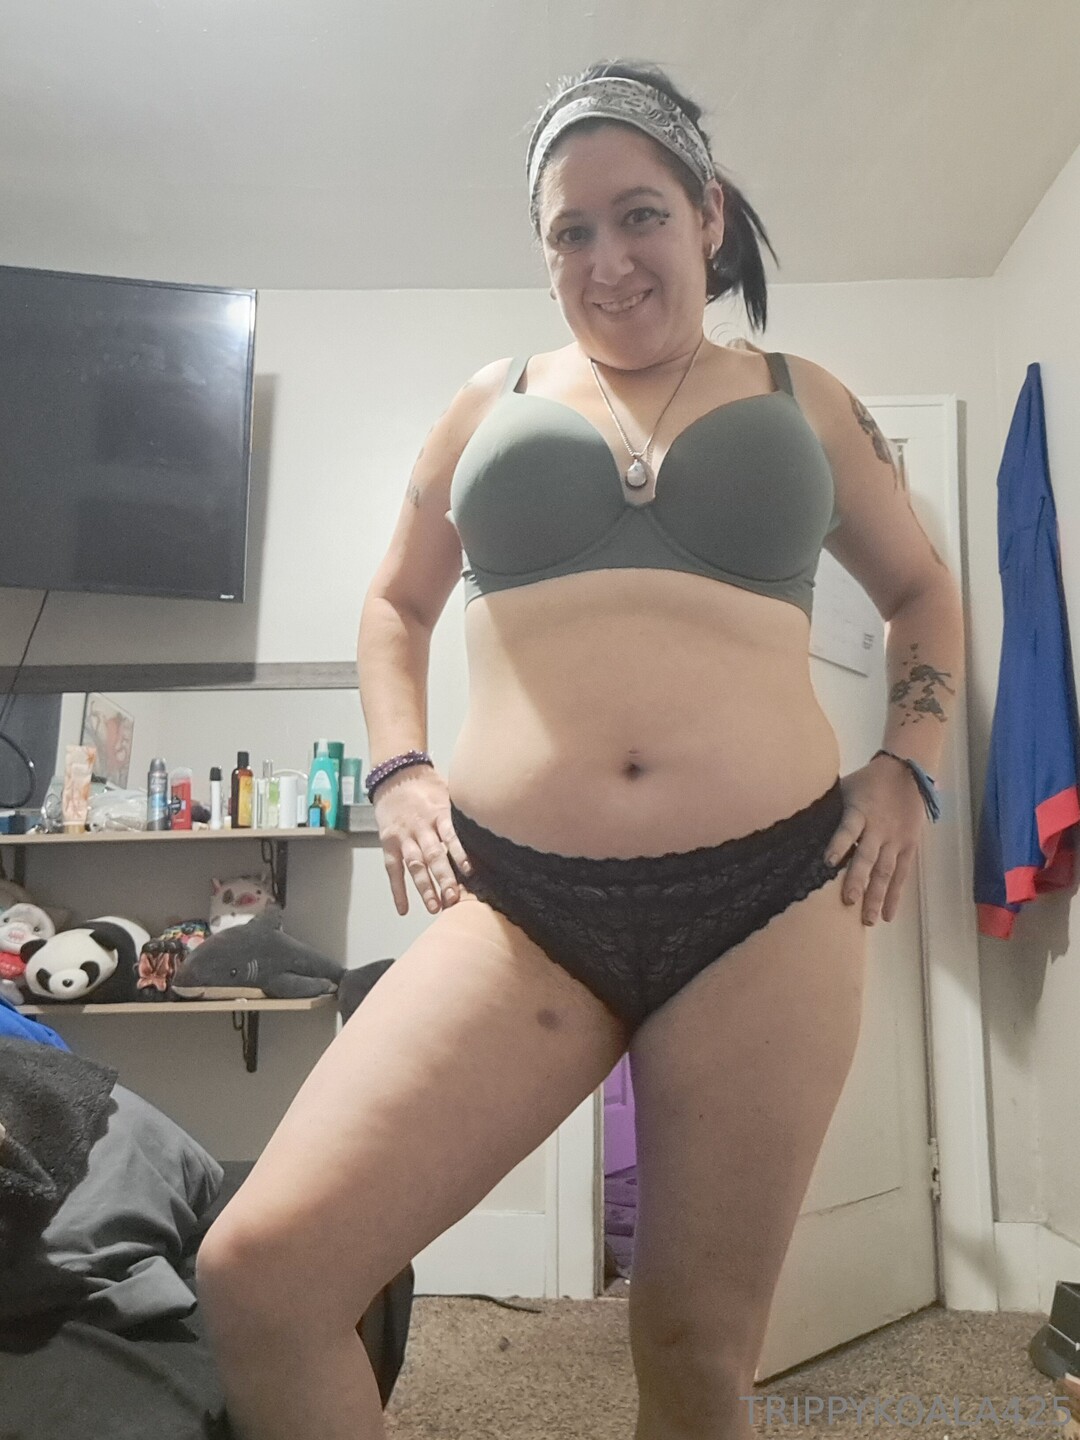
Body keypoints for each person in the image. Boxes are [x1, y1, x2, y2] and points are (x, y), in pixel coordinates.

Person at [197, 58, 966, 1440]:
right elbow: (393, 605)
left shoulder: (805, 396)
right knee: (263, 1275)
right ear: (543, 251)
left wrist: (910, 762)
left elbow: (922, 587)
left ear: (708, 214)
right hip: (520, 905)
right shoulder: (487, 400)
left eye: (640, 214)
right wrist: (400, 770)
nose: (608, 259)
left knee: (694, 1348)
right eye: (572, 231)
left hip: (770, 902)